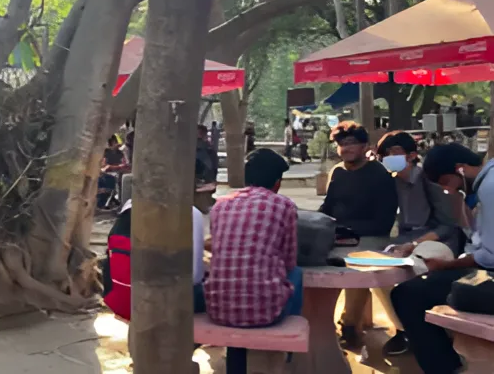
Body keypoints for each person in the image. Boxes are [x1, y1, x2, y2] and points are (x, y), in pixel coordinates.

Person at [390, 143, 492, 374]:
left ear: (461, 170)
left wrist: (449, 265)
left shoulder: (489, 187)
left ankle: (445, 369)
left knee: (407, 295)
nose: (446, 191)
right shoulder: (481, 186)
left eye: (446, 183)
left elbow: (489, 257)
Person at [374, 131, 459, 356]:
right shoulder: (389, 182)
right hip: (403, 240)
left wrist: (413, 243)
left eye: (395, 153)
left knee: (414, 267)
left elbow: (446, 226)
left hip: (438, 240)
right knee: (377, 273)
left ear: (411, 156)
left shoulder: (429, 180)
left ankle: (431, 329)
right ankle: (404, 330)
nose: (389, 158)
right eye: (385, 154)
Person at [319, 121, 399, 344]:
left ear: (365, 146)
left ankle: (349, 327)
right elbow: (327, 207)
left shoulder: (379, 175)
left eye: (352, 143)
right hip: (339, 235)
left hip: (371, 236)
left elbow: (383, 221)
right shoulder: (337, 172)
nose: (346, 148)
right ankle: (318, 323)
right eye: (342, 144)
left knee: (356, 265)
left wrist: (347, 233)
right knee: (309, 255)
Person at [205, 148, 302, 328]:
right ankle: (289, 351)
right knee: (297, 274)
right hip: (266, 313)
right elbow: (289, 260)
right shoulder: (285, 205)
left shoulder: (220, 205)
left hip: (217, 310)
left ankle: (235, 354)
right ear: (277, 183)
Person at [102, 198, 205, 320]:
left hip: (120, 303)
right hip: (165, 307)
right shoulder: (190, 212)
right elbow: (192, 276)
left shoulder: (130, 206)